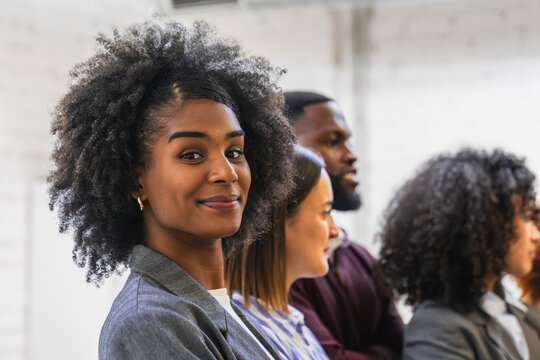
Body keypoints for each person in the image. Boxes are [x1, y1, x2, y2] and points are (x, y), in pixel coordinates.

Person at [48, 19, 297, 359]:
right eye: (191, 154)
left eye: (235, 152)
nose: (226, 172)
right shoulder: (150, 322)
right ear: (137, 180)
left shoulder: (219, 306)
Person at [378, 149, 540, 360]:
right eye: (526, 216)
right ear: (485, 225)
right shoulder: (436, 328)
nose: (536, 234)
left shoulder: (518, 313)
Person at [284, 91, 404, 359]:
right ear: (284, 149)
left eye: (347, 141)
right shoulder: (282, 266)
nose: (350, 156)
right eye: (331, 141)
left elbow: (402, 344)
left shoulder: (359, 256)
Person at [225, 145, 339, 360]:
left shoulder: (289, 321)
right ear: (278, 222)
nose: (334, 231)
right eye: (324, 212)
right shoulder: (251, 336)